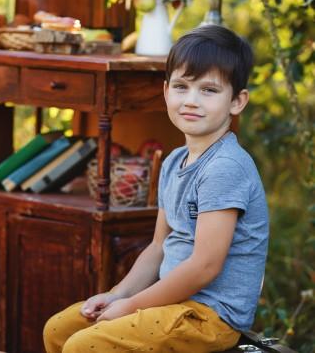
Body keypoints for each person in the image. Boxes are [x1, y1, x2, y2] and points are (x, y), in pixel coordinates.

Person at [43, 24, 269, 353]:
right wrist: (118, 295)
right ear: (166, 93)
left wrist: (134, 306)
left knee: (84, 346)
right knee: (59, 330)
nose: (191, 100)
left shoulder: (225, 167)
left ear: (237, 101)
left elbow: (205, 265)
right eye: (182, 86)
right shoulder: (174, 161)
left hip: (209, 317)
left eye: (209, 90)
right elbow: (158, 248)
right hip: (172, 302)